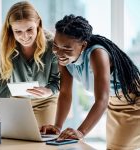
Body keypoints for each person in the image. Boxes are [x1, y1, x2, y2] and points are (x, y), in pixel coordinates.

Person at [40, 14, 140, 149]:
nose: (59, 52)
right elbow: (65, 93)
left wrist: (80, 132)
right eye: (56, 45)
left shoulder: (97, 54)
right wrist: (57, 126)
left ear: (83, 46)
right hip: (114, 102)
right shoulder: (62, 58)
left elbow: (101, 100)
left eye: (67, 48)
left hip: (134, 102)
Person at [0, 1, 60, 127]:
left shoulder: (52, 45)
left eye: (30, 29)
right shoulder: (2, 48)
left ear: (38, 24)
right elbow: (2, 85)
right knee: (15, 140)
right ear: (10, 30)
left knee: (43, 140)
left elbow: (57, 80)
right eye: (18, 31)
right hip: (16, 101)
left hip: (45, 100)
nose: (25, 36)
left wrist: (49, 91)